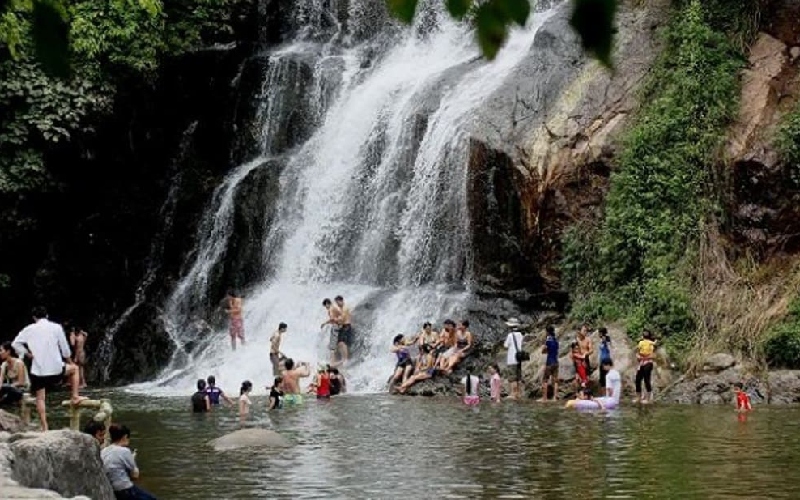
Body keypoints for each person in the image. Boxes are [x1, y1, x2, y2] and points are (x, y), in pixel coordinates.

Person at [12, 306, 86, 431]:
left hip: (38, 370)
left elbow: (15, 343)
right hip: (56, 368)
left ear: (34, 317)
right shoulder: (56, 327)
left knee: (40, 398)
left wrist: (27, 353)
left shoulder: (29, 329)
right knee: (75, 369)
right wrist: (69, 361)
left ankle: (44, 426)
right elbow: (65, 349)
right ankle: (74, 396)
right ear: (47, 316)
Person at [101, 424, 157, 500]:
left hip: (110, 489)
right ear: (125, 437)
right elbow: (135, 476)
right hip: (124, 489)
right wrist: (133, 459)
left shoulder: (104, 451)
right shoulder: (125, 451)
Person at [0, 341, 29, 406]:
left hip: (21, 389)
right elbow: (0, 381)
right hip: (10, 388)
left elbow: (21, 382)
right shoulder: (4, 364)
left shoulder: (19, 363)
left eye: (1, 350)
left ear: (8, 351)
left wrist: (8, 386)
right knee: (4, 388)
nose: (0, 353)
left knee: (6, 387)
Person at [503, 318, 524, 400]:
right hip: (519, 359)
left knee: (512, 378)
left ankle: (513, 394)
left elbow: (505, 346)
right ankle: (518, 393)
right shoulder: (520, 334)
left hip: (512, 359)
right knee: (518, 377)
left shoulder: (510, 335)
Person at [634, 331, 657, 404]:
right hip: (641, 363)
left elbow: (653, 356)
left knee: (647, 380)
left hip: (648, 363)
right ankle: (638, 397)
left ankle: (648, 399)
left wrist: (644, 357)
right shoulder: (641, 343)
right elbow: (637, 353)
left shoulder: (650, 344)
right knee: (637, 379)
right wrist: (638, 356)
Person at [539, 326, 559, 402]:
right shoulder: (556, 340)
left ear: (547, 332)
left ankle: (544, 398)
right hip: (556, 362)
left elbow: (544, 350)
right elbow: (556, 350)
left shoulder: (548, 340)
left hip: (549, 362)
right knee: (556, 381)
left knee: (545, 380)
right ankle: (555, 398)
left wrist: (543, 349)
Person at [321, 298, 342, 363]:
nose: (326, 308)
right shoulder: (336, 307)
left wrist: (324, 323)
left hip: (336, 327)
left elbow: (332, 319)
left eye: (325, 306)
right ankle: (336, 360)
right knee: (335, 345)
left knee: (332, 348)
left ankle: (333, 362)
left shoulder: (331, 309)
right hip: (340, 327)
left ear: (327, 303)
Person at [334, 296, 353, 364]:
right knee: (340, 343)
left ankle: (345, 359)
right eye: (336, 303)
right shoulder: (341, 308)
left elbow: (343, 318)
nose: (337, 304)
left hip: (346, 326)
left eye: (337, 302)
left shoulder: (345, 308)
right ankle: (344, 358)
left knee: (342, 343)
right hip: (343, 326)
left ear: (341, 300)